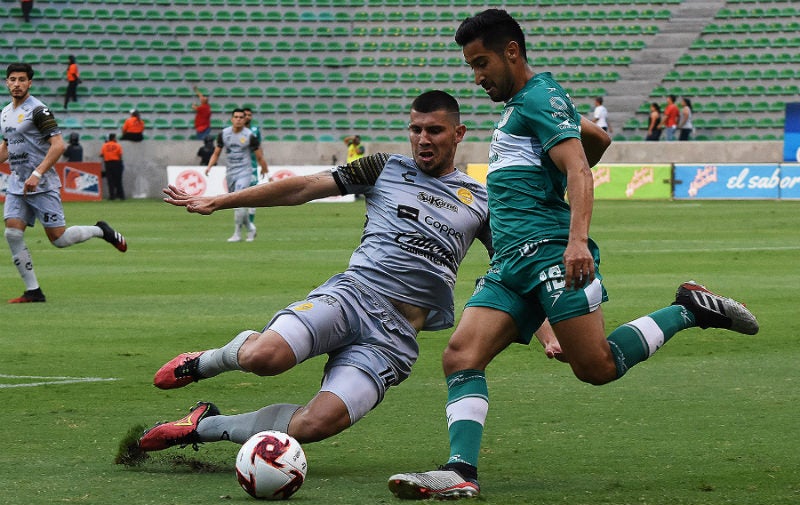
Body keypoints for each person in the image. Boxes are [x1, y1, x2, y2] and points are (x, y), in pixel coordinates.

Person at [387, 10, 760, 500]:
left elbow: (582, 167)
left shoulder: (539, 96)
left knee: (596, 367)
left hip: (548, 254)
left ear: (511, 52)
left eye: (481, 64)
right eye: (471, 67)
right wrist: (553, 177)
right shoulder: (533, 102)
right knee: (461, 355)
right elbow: (599, 139)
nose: (477, 77)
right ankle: (461, 471)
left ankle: (687, 309)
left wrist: (576, 239)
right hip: (510, 264)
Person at [137, 90, 521, 461]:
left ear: (458, 133)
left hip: (395, 338)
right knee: (265, 357)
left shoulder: (481, 201)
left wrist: (544, 329)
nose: (422, 139)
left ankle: (203, 425)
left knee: (316, 424)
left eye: (434, 130)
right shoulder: (384, 167)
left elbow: (512, 266)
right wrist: (220, 201)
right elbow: (303, 188)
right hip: (352, 297)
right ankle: (209, 361)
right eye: (415, 129)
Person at [1, 63, 128, 303]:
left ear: (30, 83)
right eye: (12, 79)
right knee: (12, 234)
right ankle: (33, 291)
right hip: (18, 184)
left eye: (21, 79)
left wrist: (37, 173)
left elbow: (58, 145)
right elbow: (7, 147)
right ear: (7, 82)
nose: (16, 84)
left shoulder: (38, 111)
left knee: (59, 239)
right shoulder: (6, 112)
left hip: (42, 183)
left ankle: (100, 230)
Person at [204, 108, 268, 242]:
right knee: (236, 203)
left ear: (245, 120)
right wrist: (209, 166)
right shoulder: (224, 134)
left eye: (241, 117)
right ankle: (250, 228)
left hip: (245, 171)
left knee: (239, 202)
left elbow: (259, 155)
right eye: (236, 117)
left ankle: (237, 234)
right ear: (232, 119)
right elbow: (217, 152)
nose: (238, 119)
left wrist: (264, 168)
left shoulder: (250, 135)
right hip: (231, 172)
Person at [243, 107, 263, 229]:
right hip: (238, 167)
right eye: (245, 115)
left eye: (250, 115)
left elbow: (259, 148)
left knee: (254, 193)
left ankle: (250, 222)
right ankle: (240, 223)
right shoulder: (236, 131)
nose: (247, 117)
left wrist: (262, 164)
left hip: (253, 166)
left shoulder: (255, 130)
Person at [100, 132, 124, 200]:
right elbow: (120, 155)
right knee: (118, 181)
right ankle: (121, 196)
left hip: (108, 164)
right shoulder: (118, 145)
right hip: (117, 163)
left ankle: (112, 196)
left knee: (110, 181)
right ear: (113, 138)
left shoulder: (104, 145)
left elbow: (102, 154)